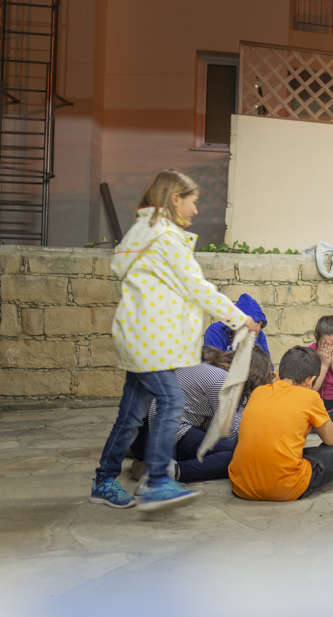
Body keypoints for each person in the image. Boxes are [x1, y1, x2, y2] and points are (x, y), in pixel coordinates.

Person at [91, 169, 257, 512]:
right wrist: (240, 318)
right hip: (150, 342)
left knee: (131, 416)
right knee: (171, 403)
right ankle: (156, 481)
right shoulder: (164, 238)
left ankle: (105, 479)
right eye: (193, 202)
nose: (196, 210)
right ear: (174, 199)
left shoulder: (146, 231)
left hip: (143, 340)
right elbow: (198, 289)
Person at [130, 345, 274, 484]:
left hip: (144, 430)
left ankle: (148, 462)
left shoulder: (210, 369)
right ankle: (171, 471)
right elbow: (230, 434)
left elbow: (208, 423)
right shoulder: (225, 381)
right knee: (237, 453)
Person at [229, 346, 333, 501]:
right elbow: (332, 440)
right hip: (285, 488)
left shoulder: (258, 392)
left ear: (278, 375)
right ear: (311, 381)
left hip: (241, 487)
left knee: (245, 439)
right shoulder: (310, 396)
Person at [204, 293, 271, 358]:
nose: (251, 331)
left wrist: (253, 342)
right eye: (248, 327)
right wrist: (240, 341)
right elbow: (214, 366)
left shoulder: (257, 332)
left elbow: (267, 366)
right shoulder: (214, 332)